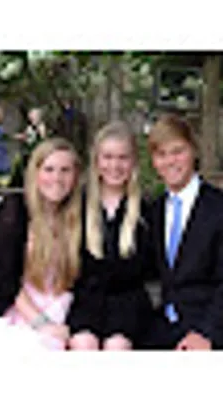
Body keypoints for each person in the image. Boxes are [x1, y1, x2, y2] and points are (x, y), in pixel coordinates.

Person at [0, 137, 82, 351]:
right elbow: (4, 281)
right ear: (35, 173)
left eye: (65, 170)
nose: (57, 178)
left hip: (62, 306)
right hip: (17, 307)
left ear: (76, 175)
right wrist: (41, 324)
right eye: (49, 169)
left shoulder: (80, 217)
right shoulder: (15, 212)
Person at [142, 113, 223, 350]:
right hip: (162, 329)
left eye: (177, 151)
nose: (170, 161)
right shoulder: (153, 211)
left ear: (193, 150)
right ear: (153, 161)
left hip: (212, 330)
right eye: (161, 154)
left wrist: (206, 333)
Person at [66, 120, 154, 350]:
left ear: (133, 162)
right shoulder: (78, 204)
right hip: (86, 300)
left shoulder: (146, 210)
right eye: (107, 157)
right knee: (83, 343)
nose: (115, 165)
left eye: (123, 158)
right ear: (96, 160)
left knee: (117, 346)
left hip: (128, 303)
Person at [11, 107, 49, 187]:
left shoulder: (41, 126)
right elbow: (26, 136)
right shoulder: (30, 127)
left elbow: (42, 138)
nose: (31, 119)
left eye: (33, 117)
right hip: (28, 151)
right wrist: (19, 136)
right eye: (31, 117)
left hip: (36, 151)